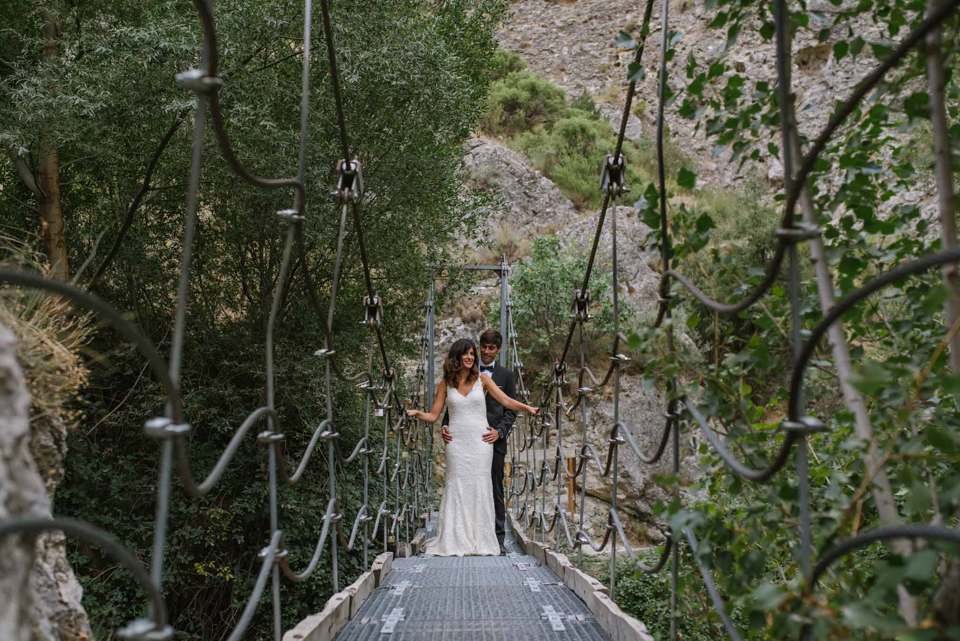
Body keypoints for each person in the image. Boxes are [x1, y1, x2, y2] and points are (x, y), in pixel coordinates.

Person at [407, 337, 537, 556]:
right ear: (457, 356)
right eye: (465, 353)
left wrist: (529, 408)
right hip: (456, 443)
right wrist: (417, 413)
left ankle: (480, 538)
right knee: (457, 484)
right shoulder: (445, 384)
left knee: (480, 485)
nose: (469, 357)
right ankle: (455, 538)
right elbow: (434, 415)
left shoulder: (484, 380)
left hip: (480, 442)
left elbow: (506, 401)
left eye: (471, 354)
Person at [440, 329, 516, 555]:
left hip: (491, 440)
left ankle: (497, 540)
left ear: (498, 350)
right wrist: (445, 426)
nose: (486, 351)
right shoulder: (462, 372)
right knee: (465, 487)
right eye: (483, 346)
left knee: (494, 489)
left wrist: (500, 432)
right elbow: (453, 406)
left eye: (492, 348)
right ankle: (465, 536)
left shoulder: (506, 376)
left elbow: (510, 409)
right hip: (462, 441)